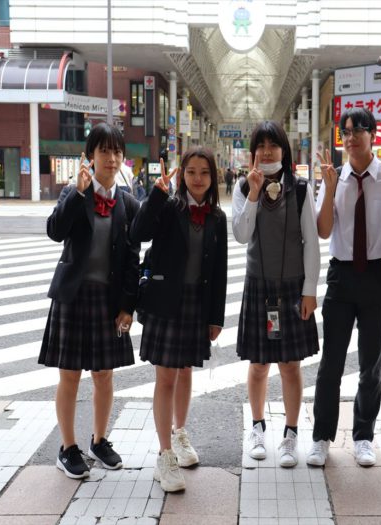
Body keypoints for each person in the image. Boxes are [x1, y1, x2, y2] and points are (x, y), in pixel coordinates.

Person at [38, 123, 141, 479]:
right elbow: (55, 231)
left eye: (117, 152)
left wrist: (127, 306)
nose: (111, 158)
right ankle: (67, 448)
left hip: (107, 300)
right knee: (70, 374)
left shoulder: (128, 203)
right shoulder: (74, 191)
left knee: (104, 374)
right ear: (91, 156)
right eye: (104, 151)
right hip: (73, 296)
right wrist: (77, 195)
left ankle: (99, 441)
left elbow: (133, 259)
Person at [310, 107, 381, 467]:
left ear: (373, 135)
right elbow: (323, 231)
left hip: (377, 276)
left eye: (358, 130)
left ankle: (363, 436)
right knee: (331, 362)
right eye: (345, 132)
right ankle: (321, 437)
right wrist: (329, 189)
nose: (350, 138)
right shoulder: (333, 177)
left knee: (371, 363)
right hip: (341, 275)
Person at [130, 148, 227, 492]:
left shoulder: (217, 217)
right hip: (165, 301)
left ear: (213, 176)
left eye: (204, 172)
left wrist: (216, 316)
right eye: (191, 172)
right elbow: (138, 232)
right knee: (166, 377)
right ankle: (165, 455)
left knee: (186, 371)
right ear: (182, 175)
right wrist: (156, 195)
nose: (198, 178)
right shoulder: (169, 207)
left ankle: (179, 433)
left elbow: (219, 271)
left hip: (196, 304)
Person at [232, 121, 320, 469]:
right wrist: (254, 193)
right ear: (253, 152)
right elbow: (241, 235)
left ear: (284, 150)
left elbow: (311, 241)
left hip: (292, 286)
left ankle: (291, 434)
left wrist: (310, 291)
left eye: (273, 145)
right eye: (261, 145)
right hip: (259, 285)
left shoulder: (300, 188)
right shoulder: (243, 186)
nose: (267, 151)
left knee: (290, 365)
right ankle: (256, 428)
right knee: (258, 365)